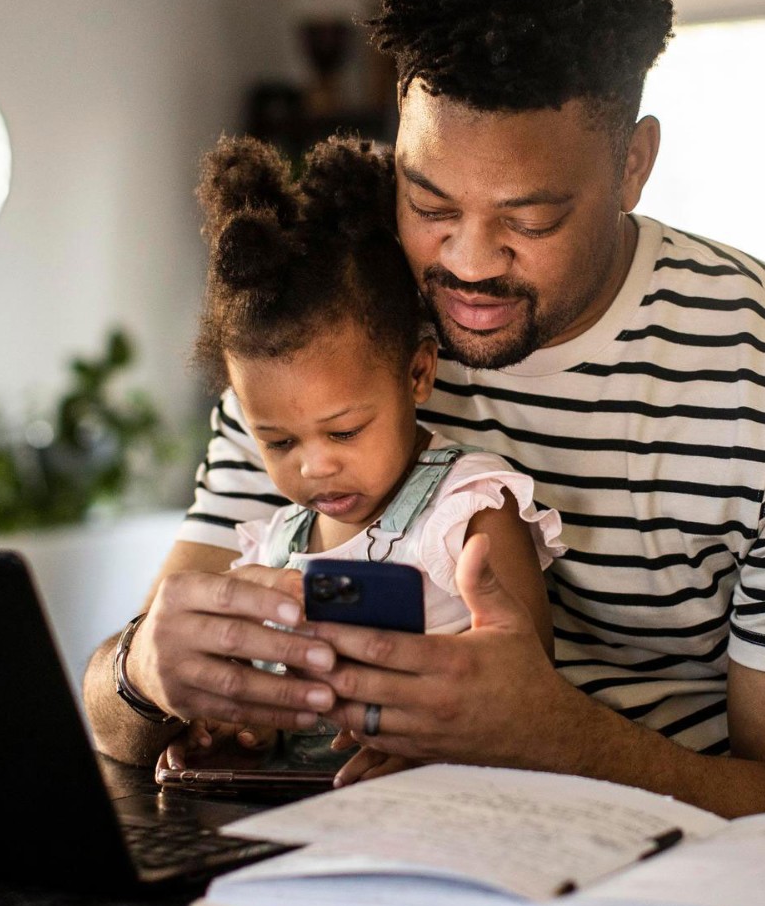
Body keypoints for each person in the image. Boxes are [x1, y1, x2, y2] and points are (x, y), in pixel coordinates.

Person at [85, 0, 765, 822]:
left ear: (634, 164)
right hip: (391, 857)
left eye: (531, 220)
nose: (471, 263)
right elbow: (113, 723)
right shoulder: (330, 342)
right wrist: (145, 672)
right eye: (429, 201)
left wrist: (552, 738)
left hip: (701, 896)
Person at [161, 132, 562, 785]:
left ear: (418, 375)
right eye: (280, 442)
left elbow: (528, 701)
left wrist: (434, 746)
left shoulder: (468, 515)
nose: (314, 468)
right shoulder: (274, 548)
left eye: (343, 432)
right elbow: (270, 701)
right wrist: (240, 726)